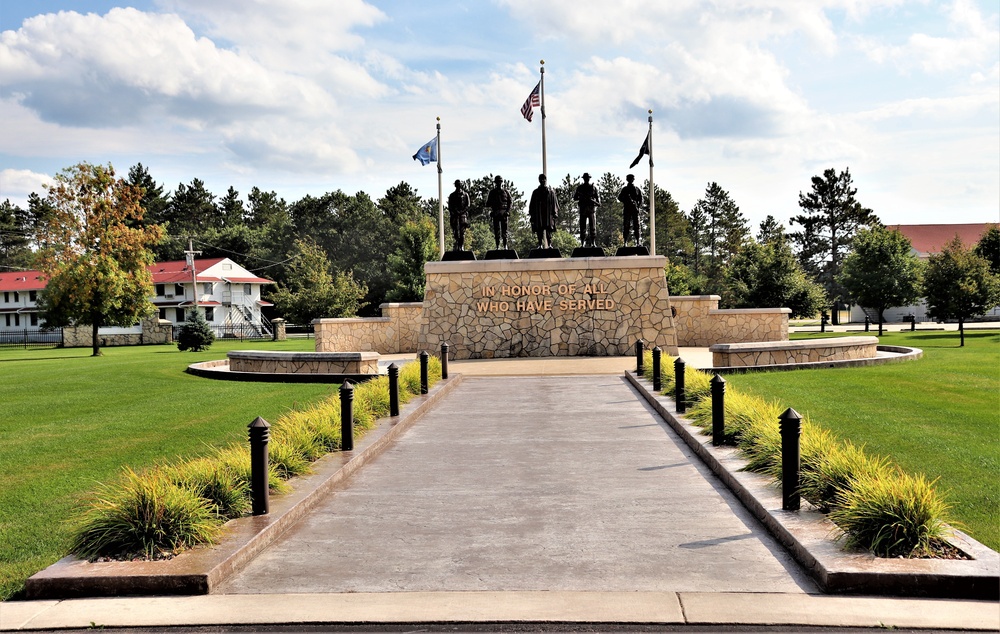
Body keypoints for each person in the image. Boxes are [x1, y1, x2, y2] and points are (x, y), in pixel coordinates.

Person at [528, 173, 559, 249]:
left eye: (544, 179)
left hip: (548, 214)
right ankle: (540, 244)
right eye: (541, 179)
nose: (543, 181)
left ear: (546, 180)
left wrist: (555, 212)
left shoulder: (551, 192)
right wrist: (532, 215)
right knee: (539, 229)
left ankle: (550, 244)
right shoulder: (535, 192)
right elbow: (532, 204)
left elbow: (555, 203)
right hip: (539, 214)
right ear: (539, 181)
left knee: (549, 229)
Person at [573, 172, 601, 247]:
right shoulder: (580, 188)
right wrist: (582, 198)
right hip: (583, 210)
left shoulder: (593, 188)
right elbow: (575, 198)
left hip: (591, 210)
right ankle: (582, 243)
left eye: (587, 178)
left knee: (593, 227)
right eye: (585, 178)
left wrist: (592, 200)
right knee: (582, 227)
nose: (586, 179)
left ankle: (593, 242)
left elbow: (598, 202)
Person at [485, 175, 512, 250]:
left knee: (504, 230)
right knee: (496, 230)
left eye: (500, 182)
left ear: (501, 182)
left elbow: (510, 202)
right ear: (495, 183)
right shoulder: (492, 192)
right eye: (497, 182)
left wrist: (507, 211)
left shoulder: (506, 192)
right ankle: (497, 246)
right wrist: (490, 210)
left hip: (504, 213)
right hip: (496, 212)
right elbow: (487, 204)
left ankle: (505, 245)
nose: (498, 183)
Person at [617, 173, 643, 247]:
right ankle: (625, 242)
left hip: (635, 210)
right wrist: (626, 200)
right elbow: (619, 198)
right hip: (627, 209)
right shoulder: (625, 189)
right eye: (630, 178)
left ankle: (638, 242)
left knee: (637, 226)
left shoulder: (637, 189)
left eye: (632, 178)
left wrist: (638, 206)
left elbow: (641, 199)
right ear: (627, 179)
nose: (631, 180)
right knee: (626, 226)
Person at [447, 179, 471, 251]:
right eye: (456, 184)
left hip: (462, 215)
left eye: (459, 184)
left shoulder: (465, 194)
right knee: (455, 232)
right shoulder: (452, 195)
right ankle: (457, 245)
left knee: (462, 232)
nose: (458, 186)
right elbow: (450, 206)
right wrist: (454, 212)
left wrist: (462, 211)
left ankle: (461, 246)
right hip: (455, 215)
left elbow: (468, 205)